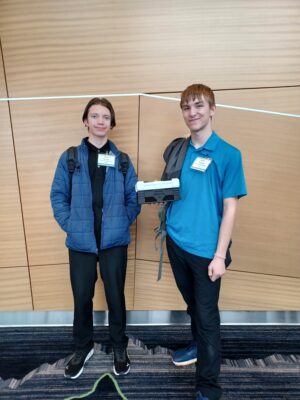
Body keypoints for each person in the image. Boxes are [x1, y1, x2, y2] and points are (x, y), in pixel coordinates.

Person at [161, 84, 247, 400]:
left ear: (212, 109)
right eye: (186, 107)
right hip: (176, 243)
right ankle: (196, 345)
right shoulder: (179, 150)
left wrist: (220, 256)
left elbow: (230, 207)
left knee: (208, 318)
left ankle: (208, 388)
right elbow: (174, 190)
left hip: (207, 253)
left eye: (198, 106)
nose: (192, 113)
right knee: (193, 306)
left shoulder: (228, 155)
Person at [50, 97, 140, 379]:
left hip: (114, 242)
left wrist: (122, 222)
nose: (100, 121)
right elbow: (58, 196)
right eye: (95, 116)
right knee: (81, 298)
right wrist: (71, 225)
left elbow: (133, 197)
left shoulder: (122, 160)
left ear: (112, 123)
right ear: (85, 121)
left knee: (116, 297)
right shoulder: (70, 158)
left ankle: (119, 347)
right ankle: (83, 347)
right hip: (81, 244)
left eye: (105, 117)